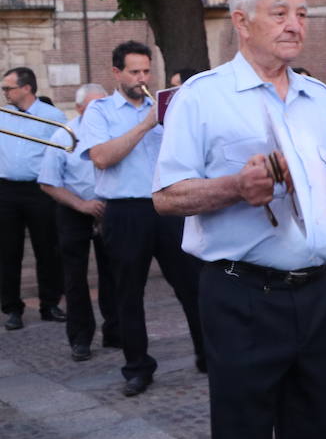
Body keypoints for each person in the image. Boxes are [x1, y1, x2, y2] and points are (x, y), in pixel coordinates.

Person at [154, 0, 326, 439]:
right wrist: (235, 188)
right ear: (241, 20)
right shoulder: (203, 98)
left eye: (302, 13)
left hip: (316, 292)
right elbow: (167, 197)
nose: (295, 25)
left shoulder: (323, 99)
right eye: (280, 13)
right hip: (241, 296)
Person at [81, 41, 204, 395]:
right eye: (134, 72)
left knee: (192, 285)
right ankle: (137, 366)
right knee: (128, 293)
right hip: (124, 211)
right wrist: (147, 123)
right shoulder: (100, 111)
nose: (142, 78)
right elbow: (102, 157)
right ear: (116, 73)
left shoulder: (164, 106)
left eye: (147, 71)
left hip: (166, 206)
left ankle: (207, 354)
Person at [38, 83, 118, 361]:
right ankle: (80, 338)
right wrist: (81, 204)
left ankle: (115, 331)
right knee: (74, 277)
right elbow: (48, 182)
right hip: (74, 208)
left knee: (114, 274)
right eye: (93, 106)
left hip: (109, 208)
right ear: (80, 108)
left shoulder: (114, 132)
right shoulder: (63, 135)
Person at [0, 67, 67, 330]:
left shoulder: (53, 117)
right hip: (6, 190)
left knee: (48, 249)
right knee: (7, 251)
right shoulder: (3, 115)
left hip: (40, 190)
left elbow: (63, 155)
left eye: (8, 88)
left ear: (26, 88)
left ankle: (50, 304)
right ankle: (12, 309)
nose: (4, 93)